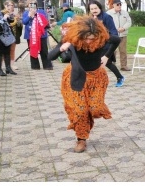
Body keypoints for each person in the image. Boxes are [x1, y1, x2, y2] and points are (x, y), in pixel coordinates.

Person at [48, 15, 121, 153]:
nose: (89, 41)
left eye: (92, 38)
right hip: (76, 77)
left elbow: (116, 40)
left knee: (95, 108)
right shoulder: (71, 39)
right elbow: (49, 57)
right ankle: (81, 139)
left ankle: (85, 121)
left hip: (97, 78)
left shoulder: (101, 37)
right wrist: (62, 48)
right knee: (80, 110)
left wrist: (107, 56)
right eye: (86, 38)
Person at [88, 0, 125, 87]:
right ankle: (94, 80)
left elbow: (114, 33)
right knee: (94, 62)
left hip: (107, 44)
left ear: (100, 7)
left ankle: (120, 77)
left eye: (95, 8)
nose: (94, 10)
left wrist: (107, 39)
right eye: (92, 9)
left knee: (106, 62)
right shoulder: (91, 18)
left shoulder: (106, 17)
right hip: (95, 44)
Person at [22, 0, 53, 70]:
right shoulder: (26, 13)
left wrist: (36, 14)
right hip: (30, 35)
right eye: (31, 4)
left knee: (44, 50)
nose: (32, 6)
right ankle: (35, 66)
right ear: (28, 5)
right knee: (33, 49)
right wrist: (30, 16)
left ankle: (47, 65)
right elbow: (24, 22)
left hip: (41, 34)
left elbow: (45, 21)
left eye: (34, 4)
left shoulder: (41, 11)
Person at [106, 0, 132, 71]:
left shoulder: (125, 13)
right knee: (112, 51)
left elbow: (129, 22)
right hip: (113, 35)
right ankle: (111, 65)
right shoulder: (108, 13)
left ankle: (124, 66)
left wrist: (123, 28)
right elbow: (106, 23)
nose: (119, 6)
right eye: (117, 4)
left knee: (123, 51)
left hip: (123, 35)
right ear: (113, 5)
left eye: (120, 4)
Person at [3, 0, 22, 70]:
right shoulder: (3, 13)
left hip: (14, 35)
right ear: (5, 6)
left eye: (12, 5)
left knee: (12, 50)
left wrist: (18, 20)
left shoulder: (14, 14)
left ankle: (11, 64)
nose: (11, 7)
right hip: (5, 35)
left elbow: (19, 26)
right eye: (10, 5)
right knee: (4, 51)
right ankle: (2, 64)